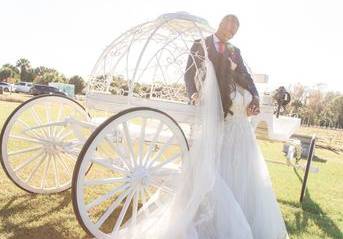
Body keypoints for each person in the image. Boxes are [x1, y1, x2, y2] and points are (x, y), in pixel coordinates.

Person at [119, 15, 288, 239]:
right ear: (220, 24)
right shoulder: (201, 44)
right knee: (213, 162)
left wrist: (255, 95)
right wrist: (194, 93)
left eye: (233, 32)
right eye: (228, 29)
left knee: (239, 166)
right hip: (214, 113)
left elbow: (245, 75)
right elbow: (189, 74)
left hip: (235, 115)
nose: (229, 34)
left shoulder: (235, 50)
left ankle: (241, 214)